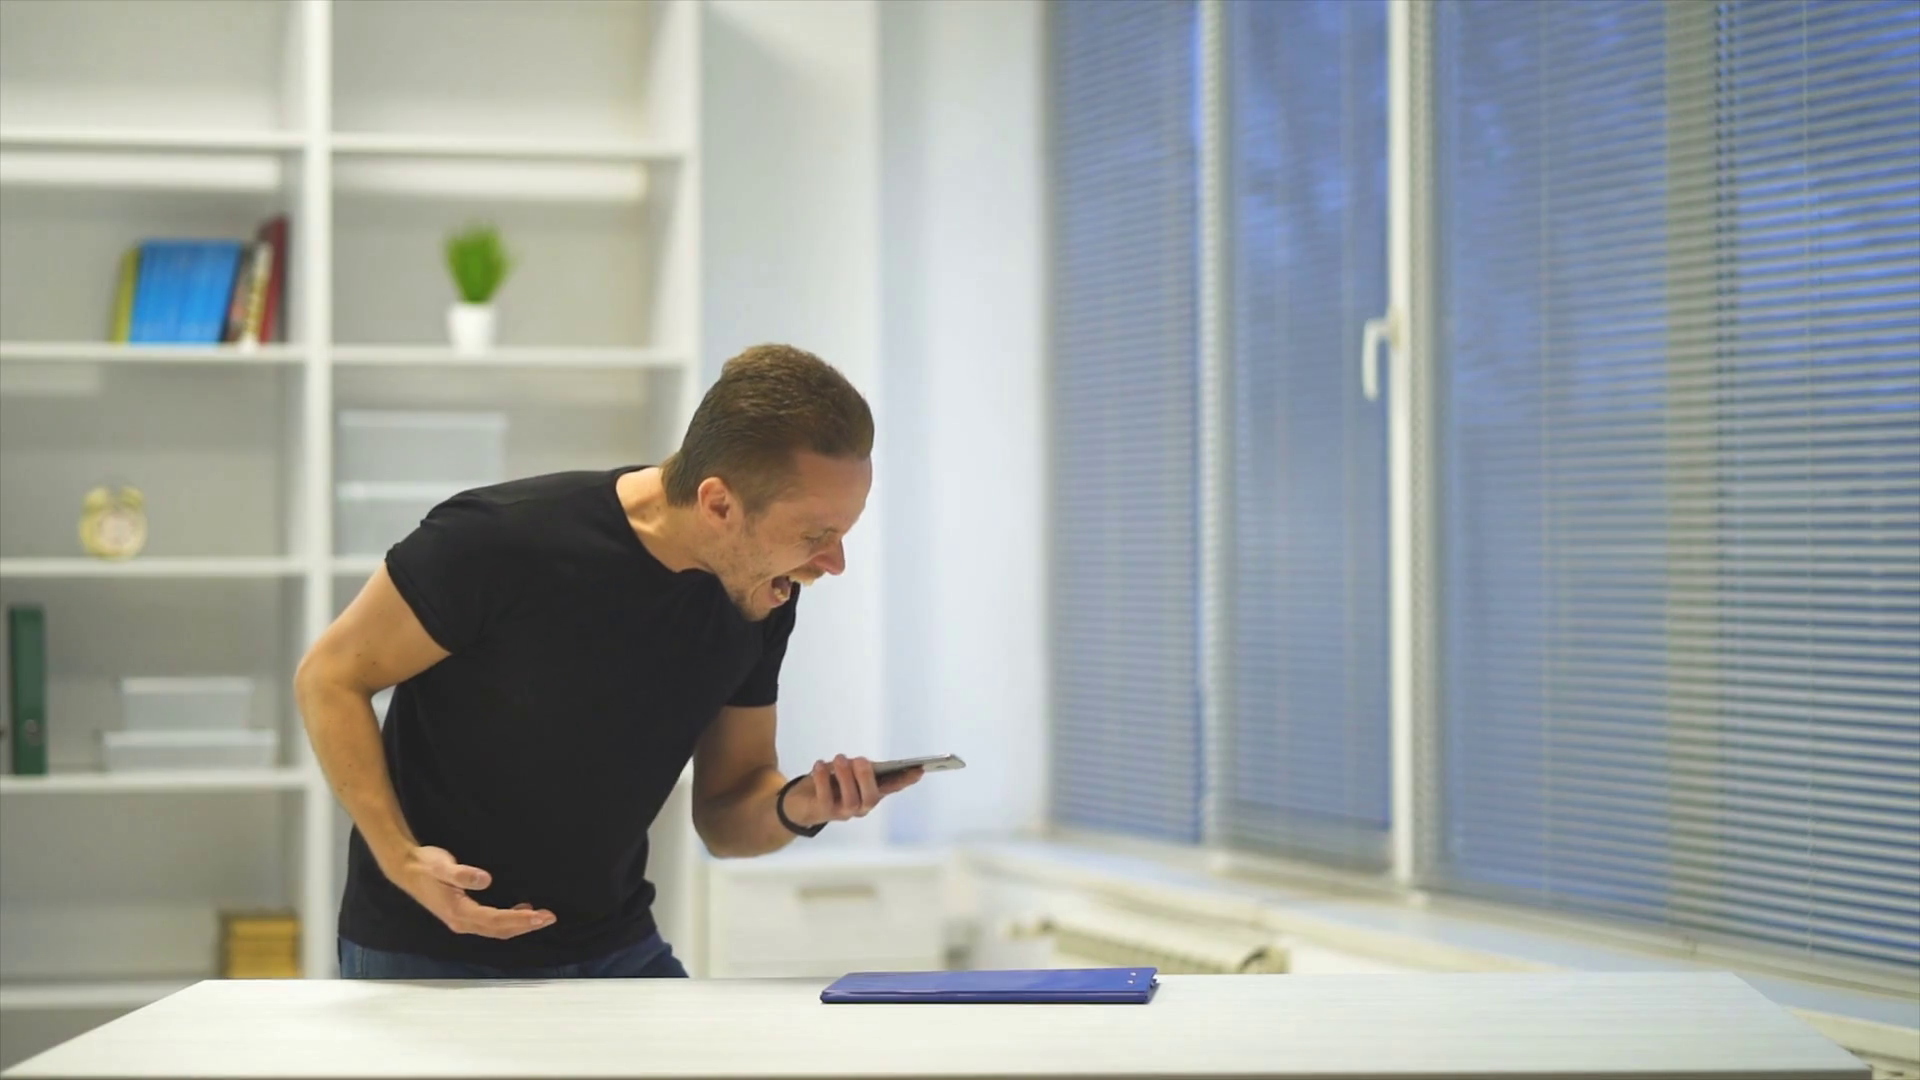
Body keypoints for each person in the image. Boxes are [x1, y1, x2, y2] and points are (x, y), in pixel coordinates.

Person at [294, 343, 920, 979]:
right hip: (425, 951)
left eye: (844, 532)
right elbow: (330, 676)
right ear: (718, 504)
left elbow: (726, 816)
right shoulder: (497, 541)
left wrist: (801, 805)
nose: (834, 563)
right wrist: (400, 858)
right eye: (816, 536)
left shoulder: (761, 590)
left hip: (615, 946)